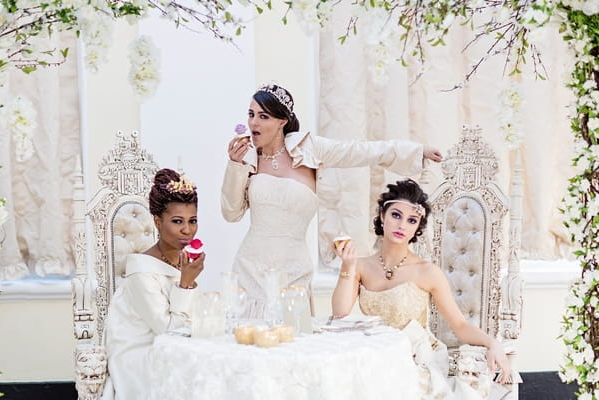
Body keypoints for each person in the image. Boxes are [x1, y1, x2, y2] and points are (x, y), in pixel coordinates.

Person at [221, 83, 443, 318]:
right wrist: (234, 166)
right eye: (251, 114)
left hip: (293, 271)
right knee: (245, 344)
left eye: (263, 116)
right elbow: (231, 213)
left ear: (281, 121)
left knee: (288, 344)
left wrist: (417, 151)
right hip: (249, 269)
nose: (253, 123)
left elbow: (361, 151)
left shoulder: (309, 150)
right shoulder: (247, 158)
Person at [331, 179, 511, 398]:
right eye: (396, 215)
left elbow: (461, 325)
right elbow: (340, 313)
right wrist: (347, 266)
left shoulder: (427, 272)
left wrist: (493, 343)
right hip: (375, 353)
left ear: (417, 227)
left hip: (416, 359)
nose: (402, 225)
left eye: (412, 220)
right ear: (382, 215)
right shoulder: (361, 266)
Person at [103, 169, 205, 400]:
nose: (187, 230)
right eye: (177, 221)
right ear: (158, 222)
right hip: (141, 355)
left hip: (178, 347)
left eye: (193, 221)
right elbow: (168, 330)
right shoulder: (140, 270)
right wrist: (186, 284)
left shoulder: (183, 260)